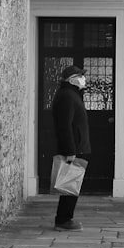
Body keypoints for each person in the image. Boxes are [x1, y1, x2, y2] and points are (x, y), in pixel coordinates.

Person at [51, 64, 91, 231]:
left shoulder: (71, 95)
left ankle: (65, 218)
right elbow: (64, 126)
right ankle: (64, 219)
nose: (83, 79)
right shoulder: (67, 96)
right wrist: (70, 151)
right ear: (72, 79)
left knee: (72, 185)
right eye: (80, 76)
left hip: (78, 146)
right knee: (69, 185)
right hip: (74, 148)